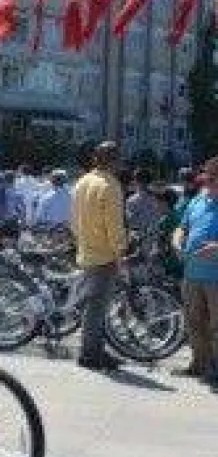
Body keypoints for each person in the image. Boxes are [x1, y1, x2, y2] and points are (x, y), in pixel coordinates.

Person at [71, 142, 127, 372]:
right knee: (97, 309)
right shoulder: (110, 185)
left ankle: (93, 350)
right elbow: (114, 225)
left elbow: (73, 221)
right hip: (104, 255)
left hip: (86, 251)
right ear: (114, 161)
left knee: (92, 308)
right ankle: (90, 355)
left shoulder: (82, 182)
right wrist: (120, 252)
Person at [172, 159, 218, 383]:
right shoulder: (198, 200)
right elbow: (182, 226)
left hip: (215, 278)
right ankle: (199, 364)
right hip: (191, 274)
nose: (206, 180)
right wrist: (177, 239)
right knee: (194, 322)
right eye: (206, 176)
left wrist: (216, 247)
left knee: (216, 325)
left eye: (212, 177)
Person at [124, 168, 161, 237]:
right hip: (153, 237)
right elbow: (158, 218)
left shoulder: (132, 200)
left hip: (137, 237)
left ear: (136, 182)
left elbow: (130, 222)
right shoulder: (156, 199)